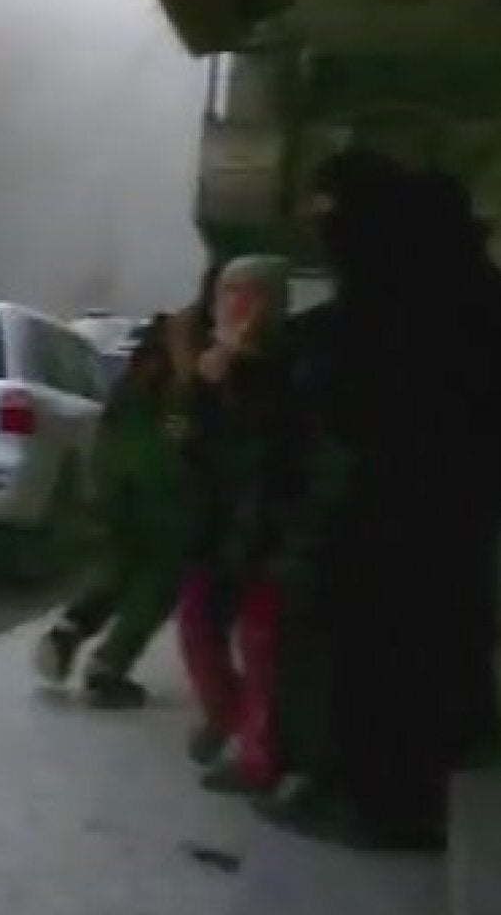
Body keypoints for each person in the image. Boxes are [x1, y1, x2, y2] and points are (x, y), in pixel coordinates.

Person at [258, 150, 501, 850]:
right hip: (447, 517)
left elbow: (343, 398)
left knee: (364, 655)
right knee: (434, 644)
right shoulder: (487, 298)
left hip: (373, 517)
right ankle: (408, 788)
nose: (320, 231)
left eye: (327, 215)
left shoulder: (394, 299)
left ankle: (369, 798)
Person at [173, 253, 297, 794]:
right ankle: (228, 712)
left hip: (266, 526)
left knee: (261, 641)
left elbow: (269, 445)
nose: (237, 305)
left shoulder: (287, 366)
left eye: (251, 293)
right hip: (216, 522)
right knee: (197, 625)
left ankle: (259, 757)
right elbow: (190, 443)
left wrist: (239, 369)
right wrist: (202, 382)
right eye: (229, 292)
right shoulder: (207, 365)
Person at [33, 312, 194, 708]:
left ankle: (70, 629)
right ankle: (108, 666)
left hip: (112, 483)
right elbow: (171, 448)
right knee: (159, 580)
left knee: (120, 566)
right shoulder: (179, 386)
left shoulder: (132, 380)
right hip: (157, 491)